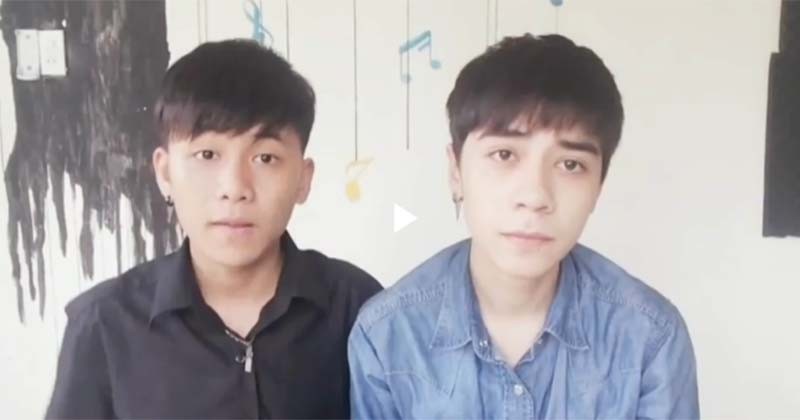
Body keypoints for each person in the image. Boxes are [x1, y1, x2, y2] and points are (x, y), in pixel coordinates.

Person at [348, 34, 698, 419]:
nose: (535, 196)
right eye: (504, 154)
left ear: (599, 185)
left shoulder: (650, 337)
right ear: (456, 171)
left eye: (570, 165)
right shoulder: (387, 335)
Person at [46, 39, 382, 419]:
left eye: (265, 157)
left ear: (303, 180)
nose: (235, 188)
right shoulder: (104, 324)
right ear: (165, 173)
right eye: (207, 155)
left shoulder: (360, 310)